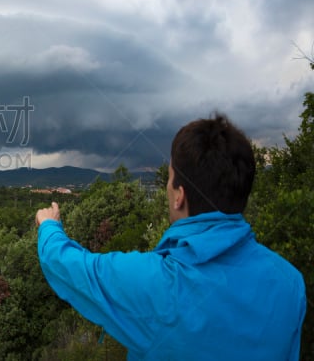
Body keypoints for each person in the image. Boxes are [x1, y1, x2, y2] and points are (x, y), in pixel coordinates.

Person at [35, 114, 306, 360]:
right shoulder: (290, 283)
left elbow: (73, 268)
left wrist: (49, 226)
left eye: (169, 179)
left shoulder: (160, 286)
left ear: (179, 196)